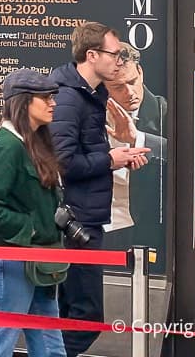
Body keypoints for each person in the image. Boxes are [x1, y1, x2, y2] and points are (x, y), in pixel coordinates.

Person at [49, 22, 150, 357]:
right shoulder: (68, 97)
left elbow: (86, 155)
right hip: (75, 221)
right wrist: (110, 159)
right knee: (86, 316)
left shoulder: (93, 95)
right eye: (114, 54)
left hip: (86, 216)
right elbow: (64, 162)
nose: (119, 60)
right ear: (91, 56)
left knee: (71, 313)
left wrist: (121, 156)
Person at [0, 69, 66, 357]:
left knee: (51, 349)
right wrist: (33, 228)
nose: (53, 103)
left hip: (36, 261)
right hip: (8, 260)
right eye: (45, 97)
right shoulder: (7, 146)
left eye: (53, 96)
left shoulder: (31, 143)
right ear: (23, 102)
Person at [103, 54, 167, 253]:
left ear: (141, 73)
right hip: (96, 227)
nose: (129, 92)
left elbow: (188, 156)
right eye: (118, 87)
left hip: (143, 230)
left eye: (132, 82)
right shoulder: (87, 117)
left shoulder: (165, 112)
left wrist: (137, 139)